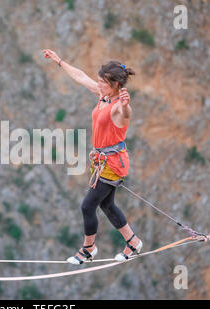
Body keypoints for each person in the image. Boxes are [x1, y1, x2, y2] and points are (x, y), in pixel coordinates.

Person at [42, 49, 143, 264]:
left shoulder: (117, 107)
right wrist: (59, 61)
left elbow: (126, 116)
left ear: (116, 85)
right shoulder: (103, 97)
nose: (99, 85)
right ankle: (133, 242)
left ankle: (88, 249)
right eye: (98, 81)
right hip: (102, 162)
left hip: (113, 164)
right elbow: (80, 77)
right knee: (106, 205)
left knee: (87, 206)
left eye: (103, 82)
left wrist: (125, 107)